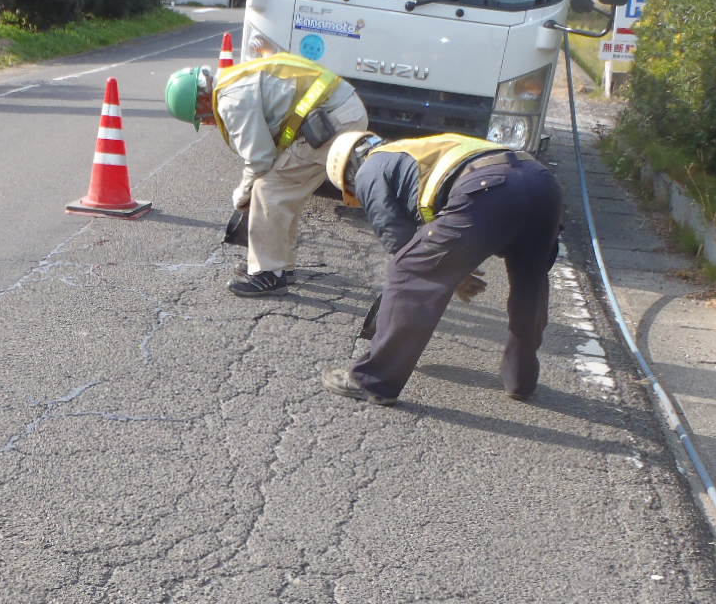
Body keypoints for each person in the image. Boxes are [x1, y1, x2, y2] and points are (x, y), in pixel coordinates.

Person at [319, 130, 564, 405]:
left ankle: (373, 380)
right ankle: (521, 380)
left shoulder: (370, 168)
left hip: (491, 187)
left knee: (410, 270)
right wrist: (452, 266)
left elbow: (398, 239)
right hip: (542, 184)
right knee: (530, 282)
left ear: (349, 169)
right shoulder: (413, 148)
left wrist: (448, 273)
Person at [164, 52, 369, 296]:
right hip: (341, 111)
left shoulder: (232, 100)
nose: (208, 123)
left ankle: (268, 273)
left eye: (201, 118)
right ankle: (282, 266)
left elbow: (259, 159)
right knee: (286, 190)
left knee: (269, 188)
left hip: (335, 121)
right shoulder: (235, 79)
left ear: (202, 102)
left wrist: (242, 194)